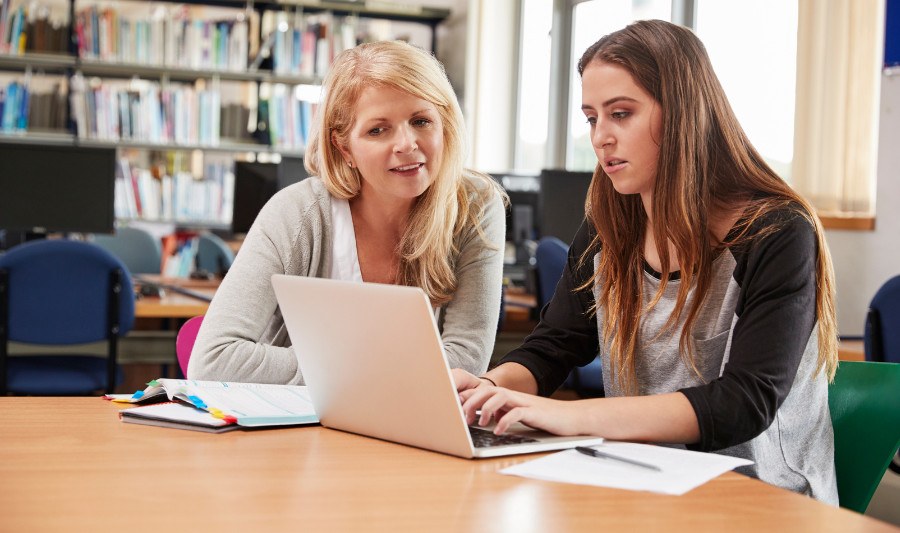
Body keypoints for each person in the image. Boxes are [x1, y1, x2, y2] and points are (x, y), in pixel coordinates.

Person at [454, 20, 839, 504]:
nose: (600, 137)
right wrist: (486, 389)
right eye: (592, 118)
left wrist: (568, 417)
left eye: (621, 114)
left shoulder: (776, 232)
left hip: (763, 500)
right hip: (646, 483)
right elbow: (553, 348)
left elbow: (743, 404)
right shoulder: (608, 229)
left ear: (683, 114)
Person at [189, 40, 506, 384]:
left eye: (421, 120)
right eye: (377, 130)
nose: (406, 144)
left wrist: (340, 367)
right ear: (344, 147)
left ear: (444, 124)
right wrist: (366, 369)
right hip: (298, 414)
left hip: (409, 415)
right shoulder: (297, 213)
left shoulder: (474, 205)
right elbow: (213, 360)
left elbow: (466, 359)